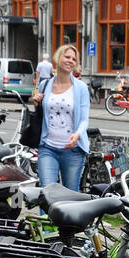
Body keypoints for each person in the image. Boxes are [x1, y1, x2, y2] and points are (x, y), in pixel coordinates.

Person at [32, 43, 90, 190]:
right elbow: (43, 113)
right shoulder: (45, 84)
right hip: (48, 147)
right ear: (58, 58)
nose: (71, 61)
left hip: (73, 150)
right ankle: (47, 214)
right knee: (47, 192)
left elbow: (84, 119)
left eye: (74, 59)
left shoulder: (81, 88)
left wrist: (77, 134)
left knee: (70, 195)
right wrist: (37, 102)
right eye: (67, 57)